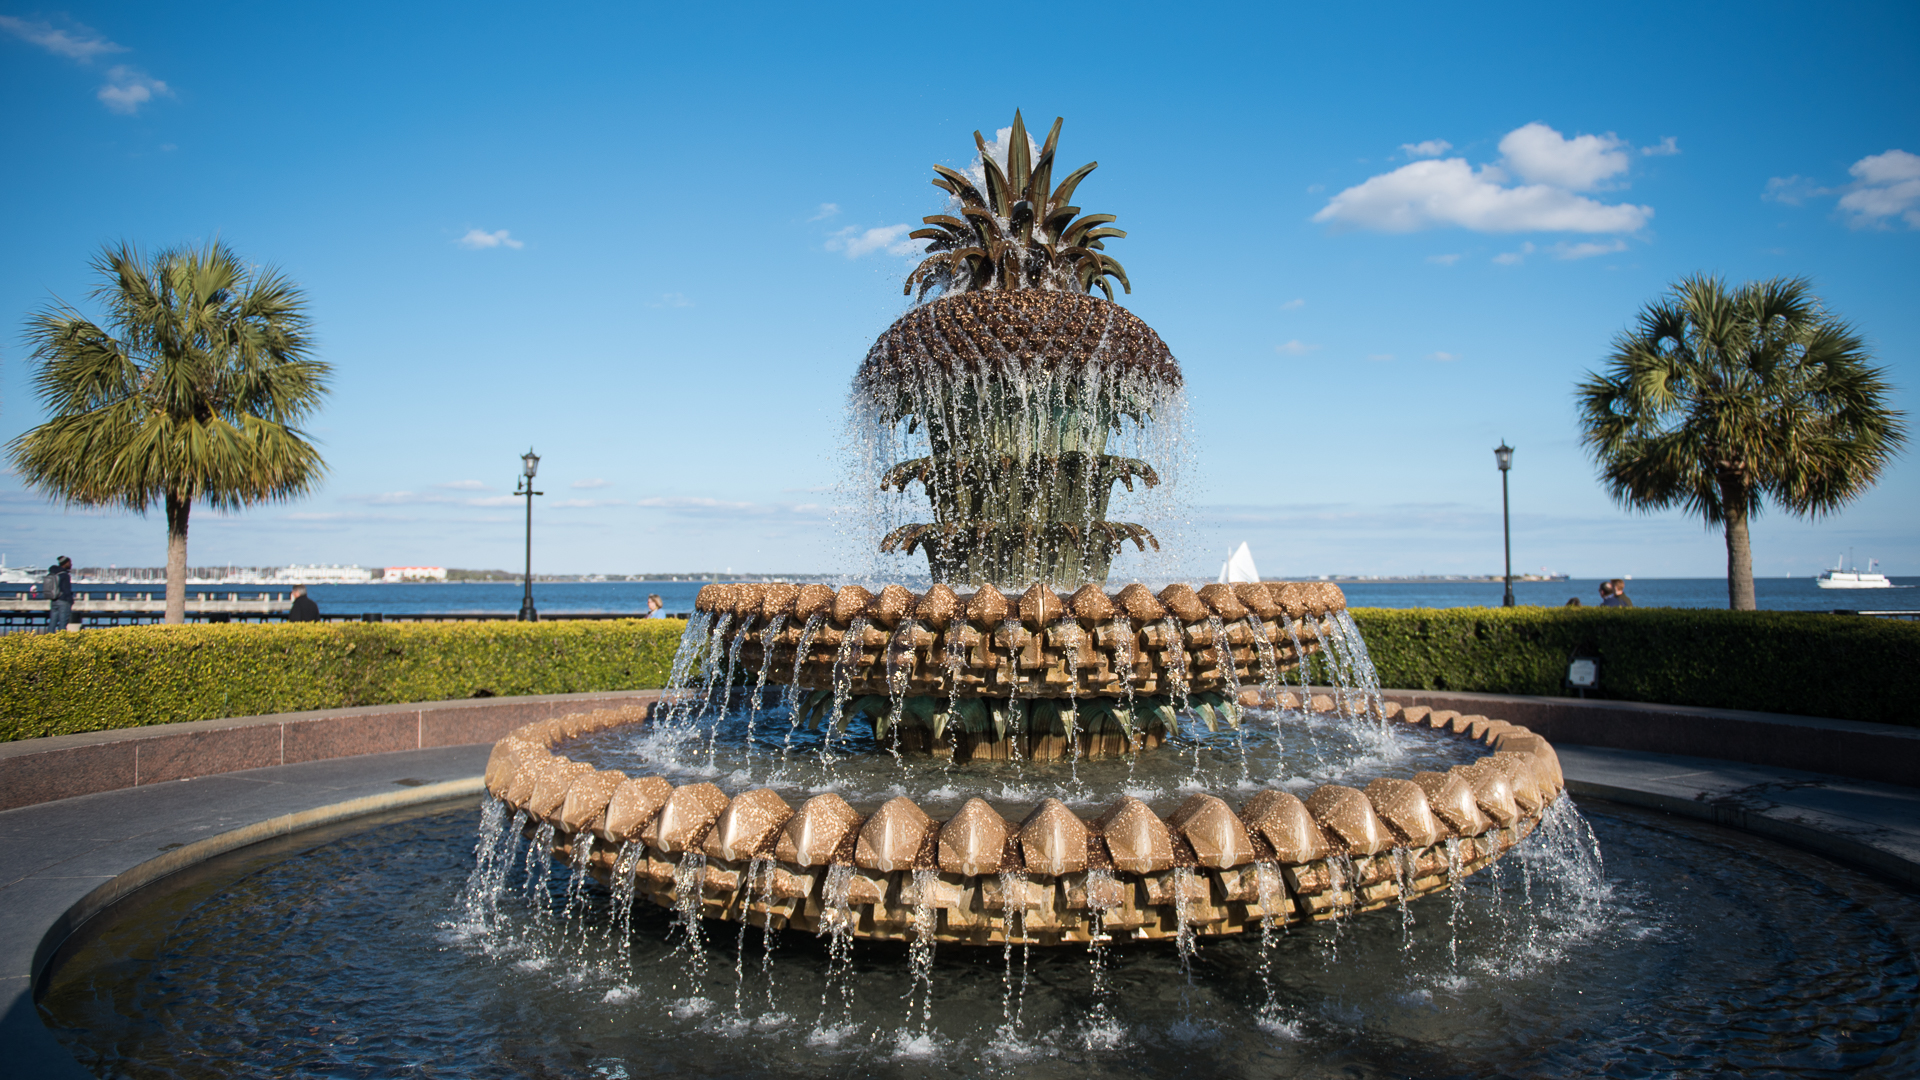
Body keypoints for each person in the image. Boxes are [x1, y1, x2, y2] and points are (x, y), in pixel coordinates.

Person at [43, 556, 74, 633]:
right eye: (70, 563)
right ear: (66, 563)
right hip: (63, 601)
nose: (71, 564)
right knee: (63, 624)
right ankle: (61, 640)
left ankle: (49, 639)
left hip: (54, 600)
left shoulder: (53, 573)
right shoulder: (65, 575)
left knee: (52, 623)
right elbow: (66, 590)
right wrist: (70, 601)